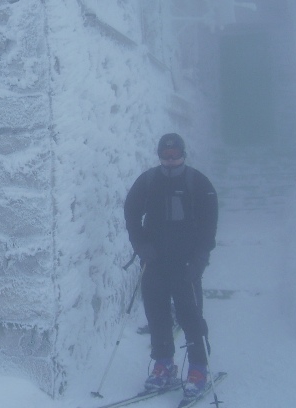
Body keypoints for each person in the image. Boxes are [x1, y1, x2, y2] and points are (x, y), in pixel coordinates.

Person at [123, 133, 218, 400]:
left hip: (186, 264)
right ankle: (163, 364)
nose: (170, 161)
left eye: (175, 156)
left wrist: (199, 260)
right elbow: (131, 213)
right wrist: (140, 246)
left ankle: (198, 369)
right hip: (154, 261)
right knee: (157, 315)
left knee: (191, 315)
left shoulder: (198, 183)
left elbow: (209, 226)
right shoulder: (148, 181)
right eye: (165, 156)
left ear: (183, 155)